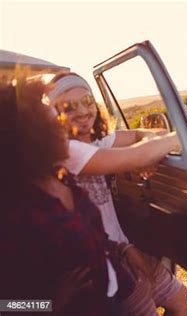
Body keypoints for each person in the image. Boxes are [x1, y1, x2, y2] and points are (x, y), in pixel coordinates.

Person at [46, 72, 187, 315]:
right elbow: (140, 154)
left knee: (180, 297)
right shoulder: (66, 151)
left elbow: (141, 137)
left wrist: (145, 151)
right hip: (106, 258)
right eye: (69, 107)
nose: (83, 112)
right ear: (53, 114)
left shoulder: (96, 142)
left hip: (123, 246)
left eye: (87, 101)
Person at [0, 78, 136, 315]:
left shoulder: (63, 178)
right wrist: (53, 303)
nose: (64, 128)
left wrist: (122, 251)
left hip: (111, 296)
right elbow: (7, 304)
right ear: (26, 140)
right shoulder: (14, 215)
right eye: (53, 124)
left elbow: (93, 235)